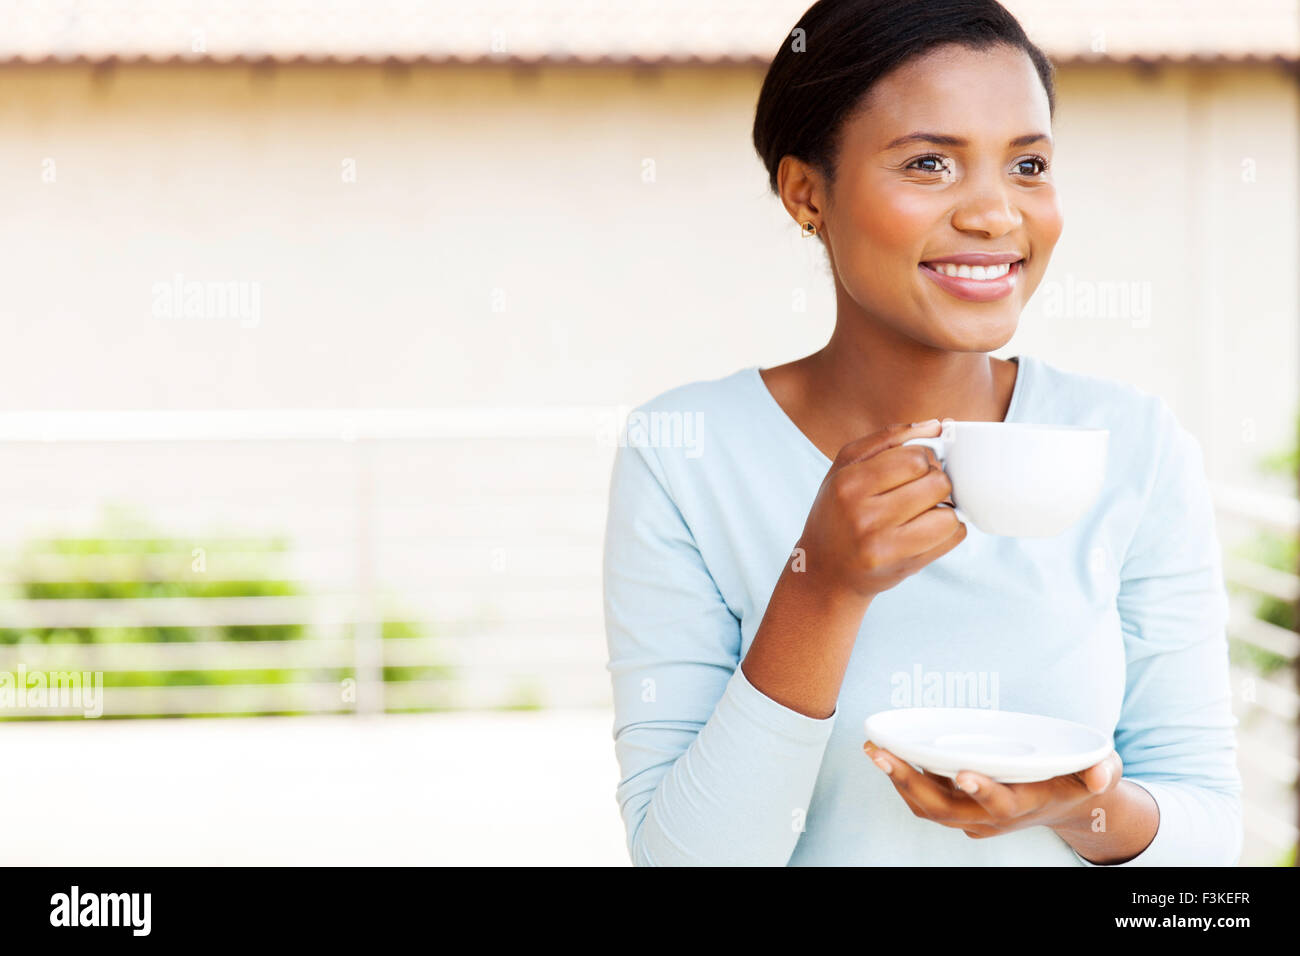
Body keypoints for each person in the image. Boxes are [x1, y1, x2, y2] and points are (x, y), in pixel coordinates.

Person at [601, 0, 1242, 866]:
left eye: (1027, 164)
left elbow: (1209, 841)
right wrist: (820, 588)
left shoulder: (1132, 444)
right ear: (806, 192)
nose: (993, 216)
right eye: (930, 163)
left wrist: (1076, 810)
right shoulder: (685, 452)